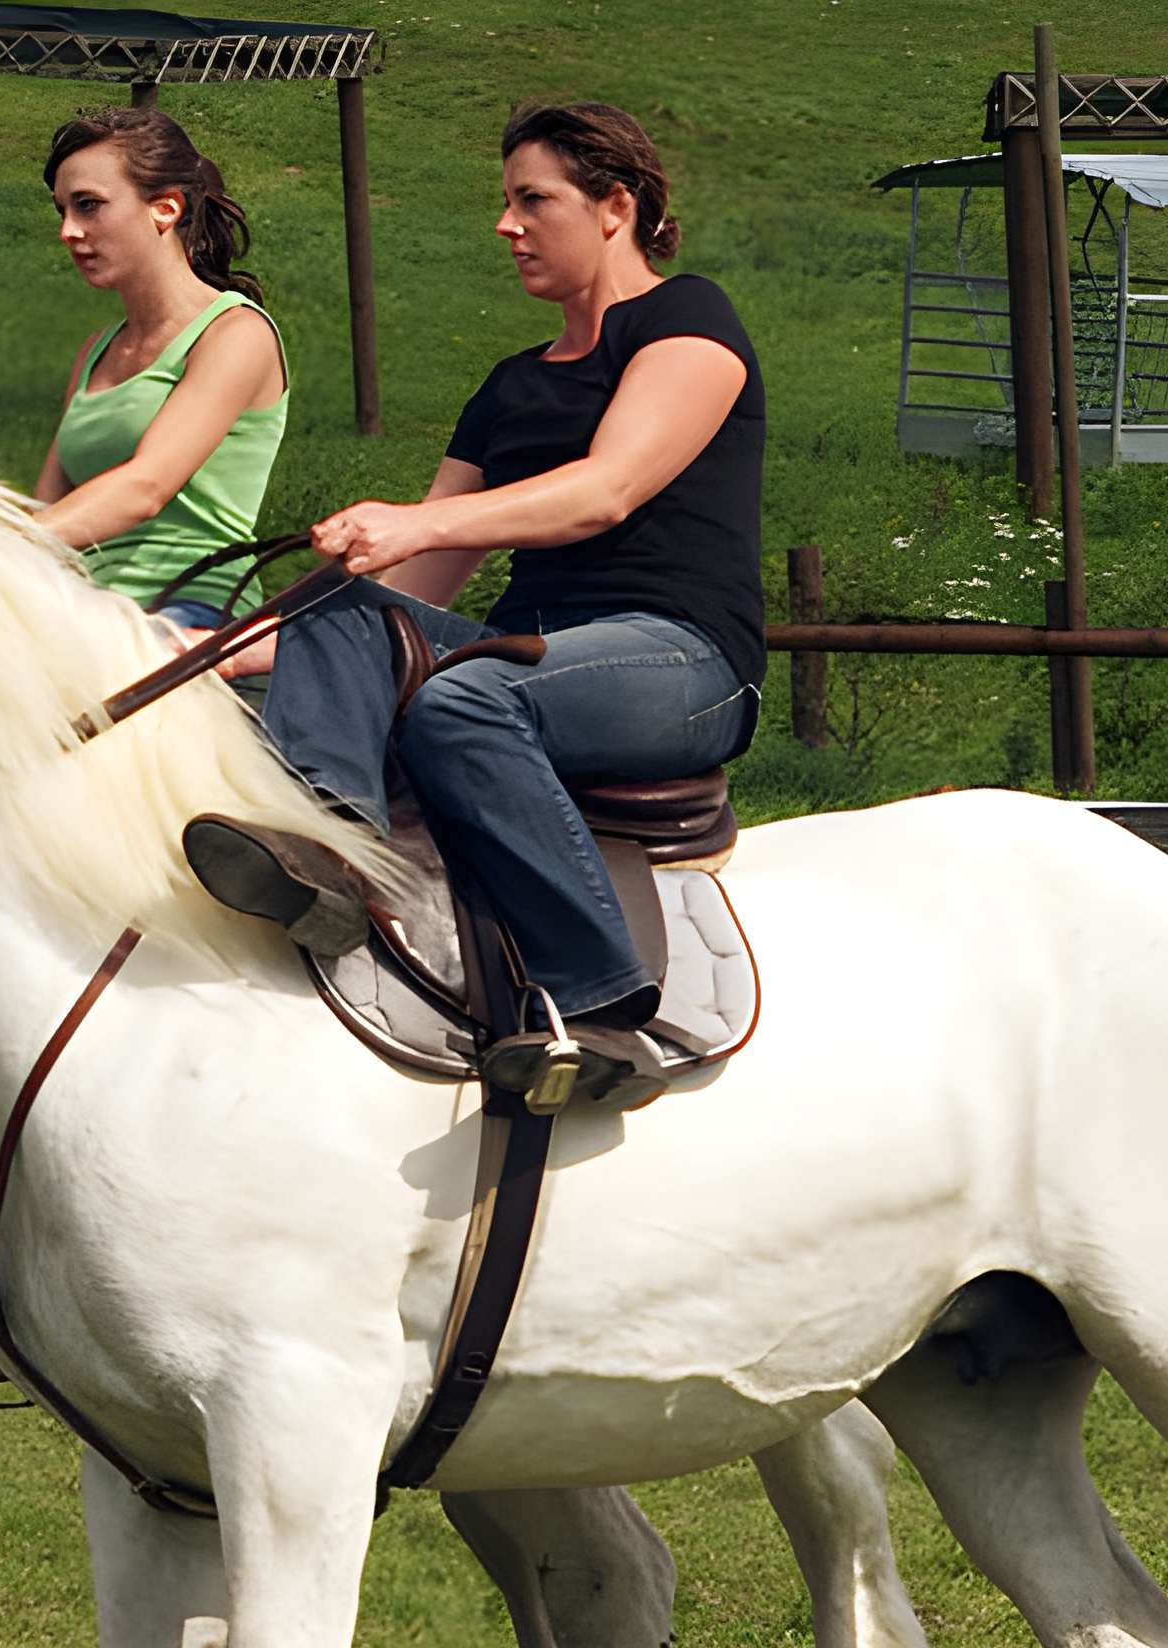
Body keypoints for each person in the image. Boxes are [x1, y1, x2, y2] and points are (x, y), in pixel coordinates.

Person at [187, 100, 764, 1084]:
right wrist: (222, 650)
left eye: (532, 200)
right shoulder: (507, 387)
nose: (506, 225)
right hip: (528, 657)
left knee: (462, 701)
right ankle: (329, 859)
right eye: (506, 201)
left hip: (681, 660)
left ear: (615, 206)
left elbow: (604, 490)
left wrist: (418, 521)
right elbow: (409, 583)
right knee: (352, 615)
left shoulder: (687, 322)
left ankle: (600, 1002)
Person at [30, 108, 289, 630]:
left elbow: (146, 487)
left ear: (165, 209)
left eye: (88, 205)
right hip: (87, 606)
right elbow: (48, 508)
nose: (68, 231)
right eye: (62, 210)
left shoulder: (236, 334)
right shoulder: (96, 351)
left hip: (193, 612)